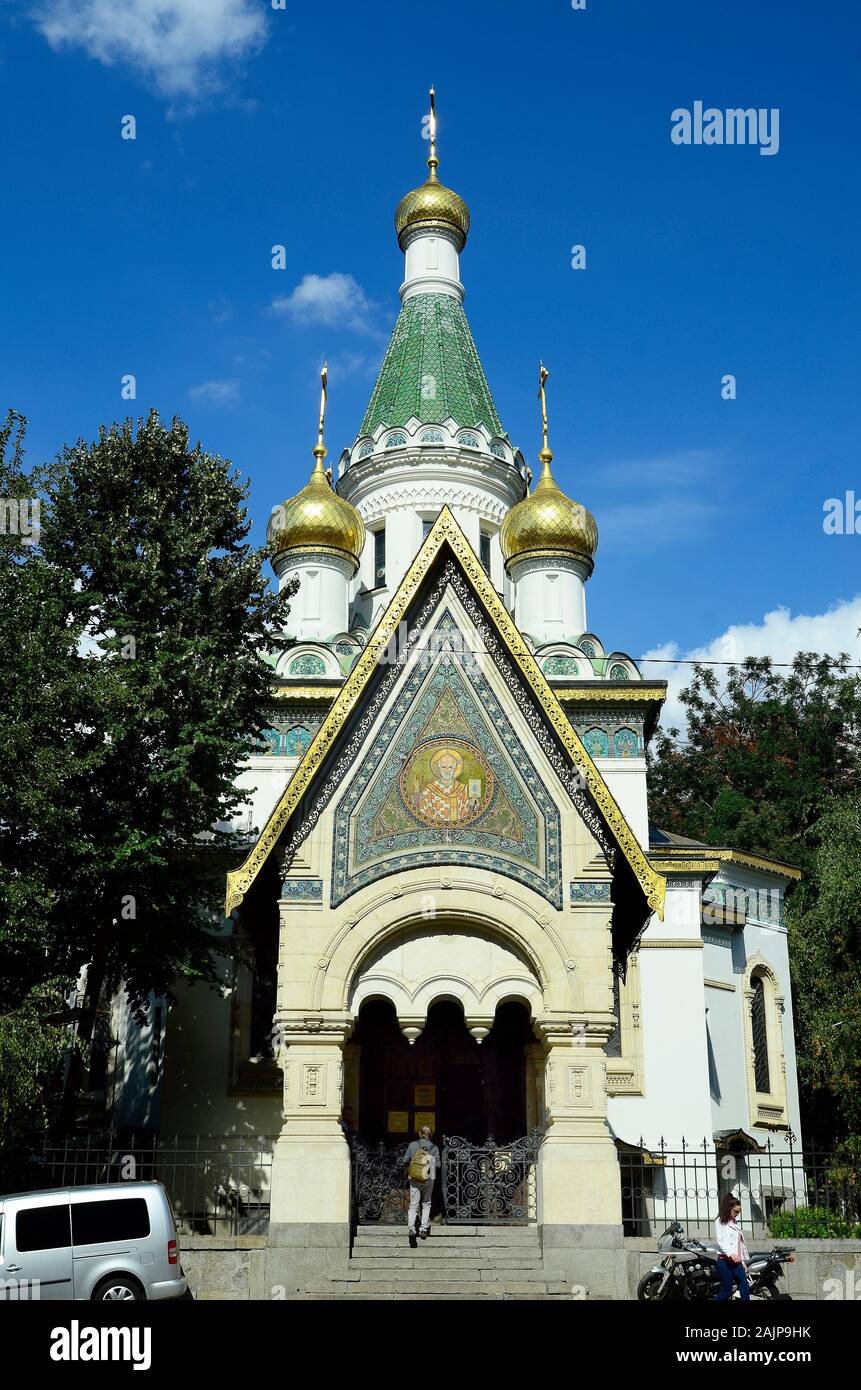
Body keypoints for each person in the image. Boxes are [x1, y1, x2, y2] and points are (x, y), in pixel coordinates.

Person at [404, 1125, 441, 1247]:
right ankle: (423, 1229)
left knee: (413, 1204)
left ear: (420, 1134)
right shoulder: (434, 1147)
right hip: (429, 1178)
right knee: (426, 1203)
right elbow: (438, 1165)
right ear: (430, 1135)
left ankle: (412, 1229)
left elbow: (404, 1160)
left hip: (414, 1178)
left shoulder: (412, 1145)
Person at [714, 1193, 751, 1301]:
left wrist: (742, 1261)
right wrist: (730, 1254)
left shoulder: (734, 1223)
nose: (737, 1214)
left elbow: (738, 1244)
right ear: (728, 1208)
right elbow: (720, 1241)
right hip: (724, 1260)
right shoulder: (720, 1221)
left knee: (744, 1287)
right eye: (735, 1211)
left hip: (736, 1261)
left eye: (738, 1212)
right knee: (727, 1291)